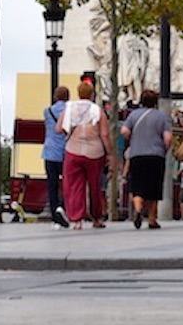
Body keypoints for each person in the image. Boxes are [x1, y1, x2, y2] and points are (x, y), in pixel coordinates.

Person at [59, 81, 111, 228]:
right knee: (95, 186)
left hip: (73, 151)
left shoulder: (69, 109)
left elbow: (59, 128)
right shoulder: (98, 110)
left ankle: (77, 220)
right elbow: (105, 134)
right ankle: (96, 218)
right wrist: (110, 153)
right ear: (92, 94)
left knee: (75, 186)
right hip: (95, 152)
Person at [120, 89, 173, 229]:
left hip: (137, 154)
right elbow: (168, 138)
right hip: (156, 156)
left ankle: (138, 211)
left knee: (137, 187)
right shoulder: (161, 117)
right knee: (154, 188)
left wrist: (132, 139)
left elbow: (124, 131)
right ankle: (152, 219)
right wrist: (164, 149)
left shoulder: (133, 115)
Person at [40, 85, 70, 228]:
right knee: (67, 184)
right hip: (66, 151)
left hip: (50, 151)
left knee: (52, 185)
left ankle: (54, 214)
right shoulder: (69, 111)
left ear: (55, 97)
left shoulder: (47, 111)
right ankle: (62, 208)